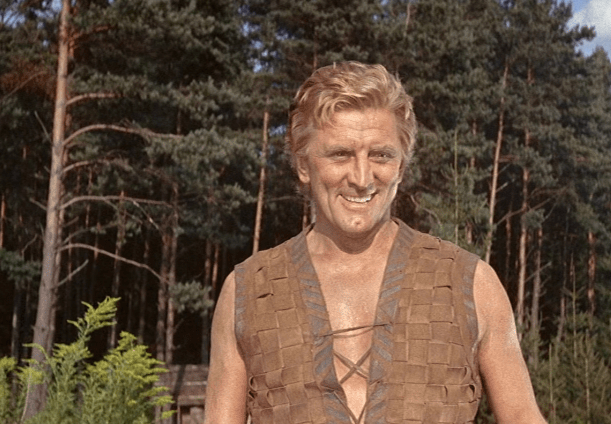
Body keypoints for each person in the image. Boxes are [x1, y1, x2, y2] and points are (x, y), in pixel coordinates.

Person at [204, 62, 547, 424]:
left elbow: (522, 416)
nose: (362, 178)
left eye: (380, 155)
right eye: (340, 154)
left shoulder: (471, 283)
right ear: (303, 165)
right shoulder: (248, 292)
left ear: (401, 166)